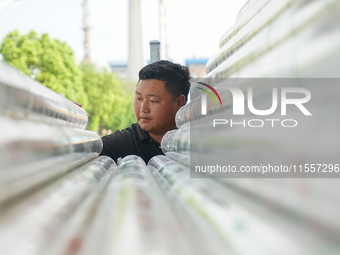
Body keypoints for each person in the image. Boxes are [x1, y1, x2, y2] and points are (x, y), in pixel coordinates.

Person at [100, 60, 191, 164]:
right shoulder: (118, 145)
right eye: (139, 98)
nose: (143, 109)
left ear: (179, 102)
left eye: (153, 101)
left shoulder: (197, 143)